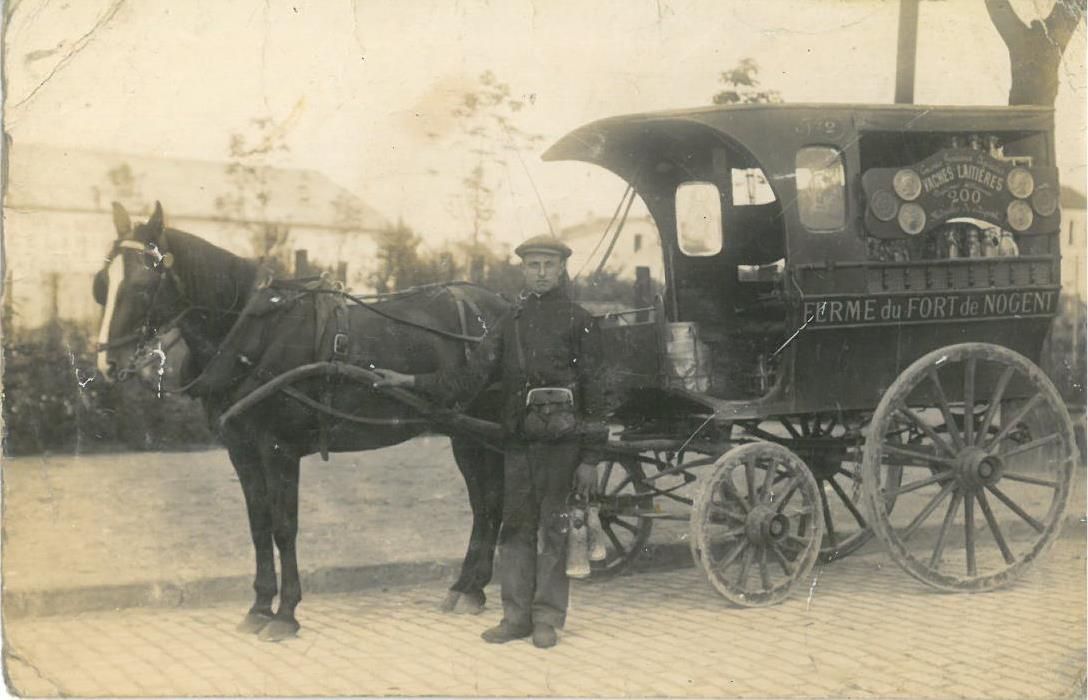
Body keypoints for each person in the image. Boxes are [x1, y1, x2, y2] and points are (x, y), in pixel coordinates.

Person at [373, 235, 609, 649]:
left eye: (548, 265)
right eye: (532, 265)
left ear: (561, 269)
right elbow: (468, 378)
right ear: (523, 269)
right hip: (517, 443)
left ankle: (547, 620)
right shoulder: (510, 323)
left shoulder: (580, 321)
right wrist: (409, 381)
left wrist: (590, 457)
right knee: (515, 530)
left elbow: (597, 393)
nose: (540, 272)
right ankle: (515, 617)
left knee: (553, 532)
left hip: (562, 446)